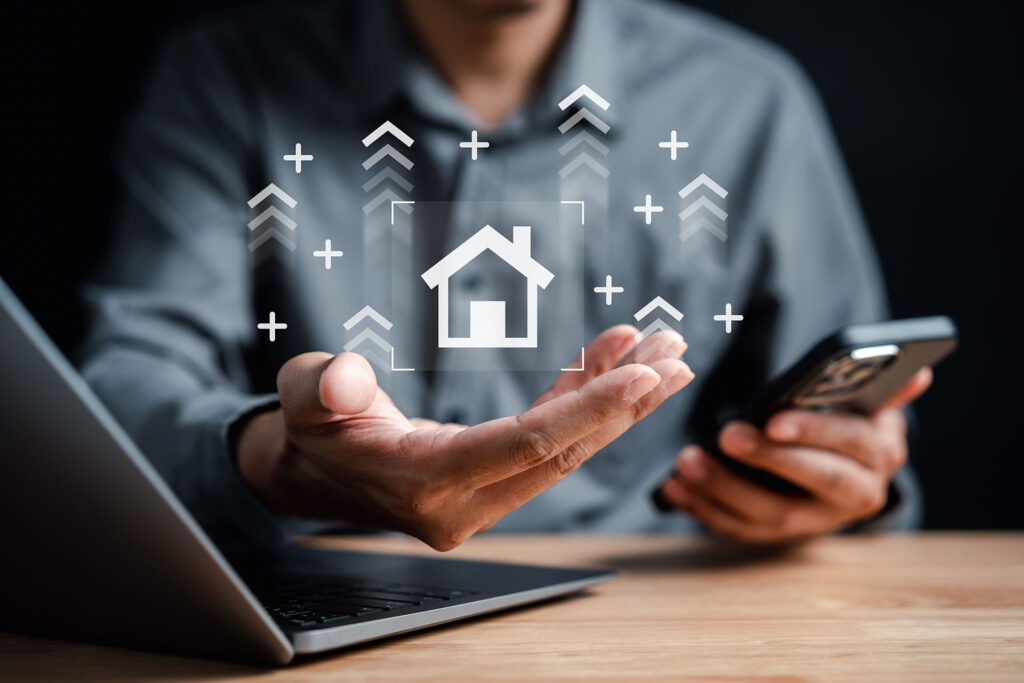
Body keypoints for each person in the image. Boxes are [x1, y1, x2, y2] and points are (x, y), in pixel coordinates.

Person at [80, 0, 931, 551]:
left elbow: (857, 440)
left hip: (655, 607)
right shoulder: (229, 78)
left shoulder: (746, 100)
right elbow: (121, 392)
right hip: (316, 592)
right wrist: (281, 453)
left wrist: (844, 490)